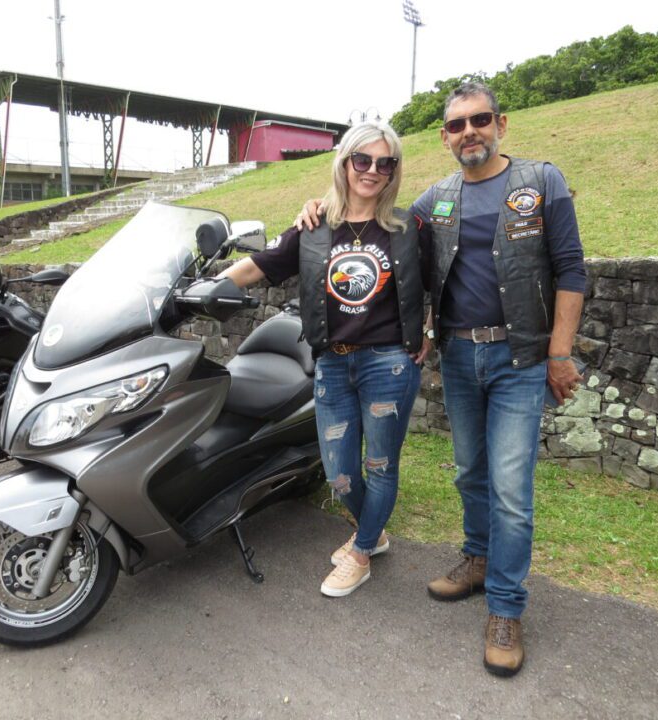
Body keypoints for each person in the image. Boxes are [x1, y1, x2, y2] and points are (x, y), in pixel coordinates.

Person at [297, 82, 586, 677]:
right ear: (444, 136)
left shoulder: (541, 183)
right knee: (469, 473)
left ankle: (506, 608)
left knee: (510, 488)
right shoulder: (435, 201)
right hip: (459, 356)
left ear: (500, 122)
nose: (469, 132)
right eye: (456, 125)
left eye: (479, 120)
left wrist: (559, 354)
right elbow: (387, 238)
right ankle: (477, 559)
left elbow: (571, 271)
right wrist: (313, 211)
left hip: (521, 361)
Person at [221, 121, 430, 598]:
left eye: (385, 163)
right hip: (332, 364)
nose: (372, 171)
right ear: (344, 162)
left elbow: (440, 284)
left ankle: (360, 554)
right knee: (339, 472)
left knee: (380, 465)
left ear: (394, 171)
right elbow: (259, 265)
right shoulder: (313, 226)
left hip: (388, 364)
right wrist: (206, 288)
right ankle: (372, 532)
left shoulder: (407, 228)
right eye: (363, 160)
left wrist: (430, 332)